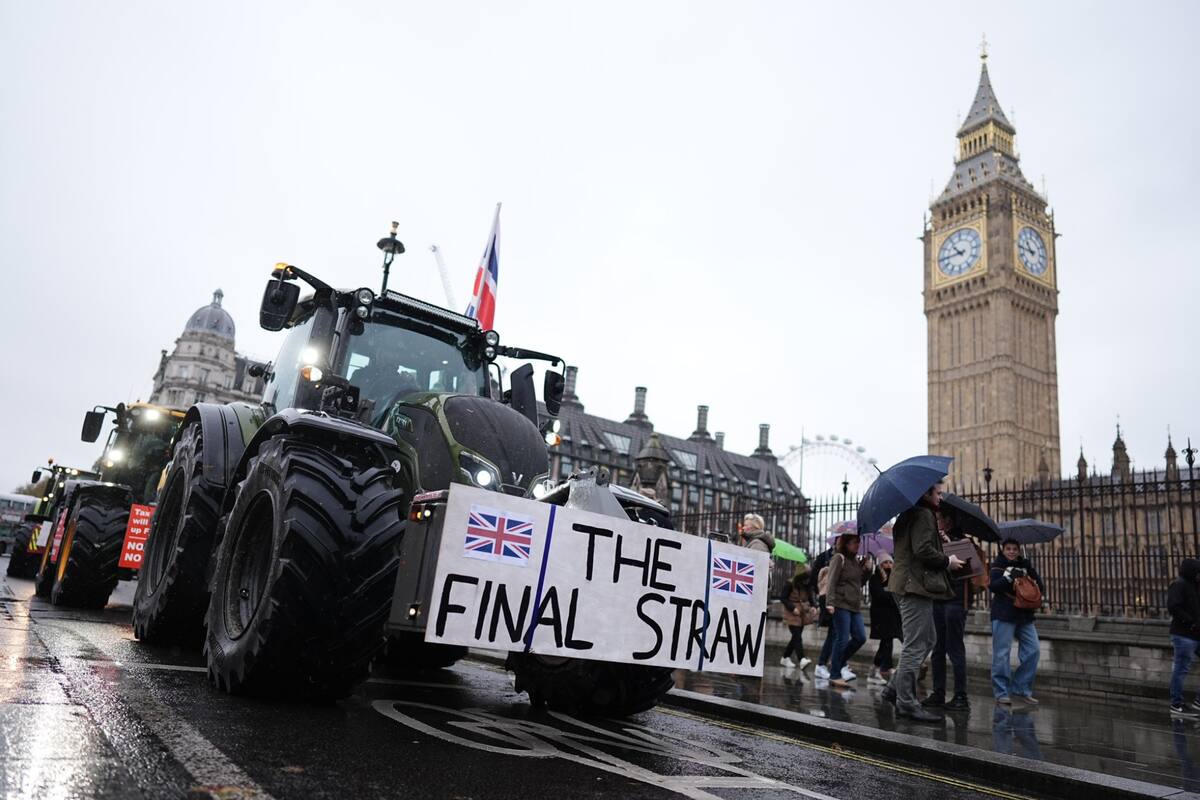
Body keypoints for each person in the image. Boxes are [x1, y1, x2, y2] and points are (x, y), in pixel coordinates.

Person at [886, 480, 964, 723]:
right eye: (938, 493)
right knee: (916, 644)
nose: (941, 498)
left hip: (907, 584)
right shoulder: (923, 515)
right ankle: (906, 704)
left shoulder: (908, 515)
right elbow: (922, 551)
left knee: (928, 638)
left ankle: (892, 689)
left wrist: (936, 539)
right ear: (925, 492)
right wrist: (947, 560)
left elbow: (915, 546)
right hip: (914, 586)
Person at [989, 538, 1044, 706]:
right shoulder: (997, 566)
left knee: (1033, 650)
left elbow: (1039, 587)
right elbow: (993, 586)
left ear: (1019, 551)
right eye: (1008, 549)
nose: (1012, 551)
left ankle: (1021, 688)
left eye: (1015, 549)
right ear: (1003, 550)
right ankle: (1001, 692)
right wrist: (1009, 577)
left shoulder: (1025, 566)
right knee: (1002, 654)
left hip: (1024, 614)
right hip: (1004, 613)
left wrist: (1031, 571)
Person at [927, 508, 972, 711]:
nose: (937, 522)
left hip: (955, 600)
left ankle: (961, 696)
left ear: (949, 521)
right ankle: (938, 693)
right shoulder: (933, 541)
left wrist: (948, 545)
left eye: (940, 518)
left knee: (955, 648)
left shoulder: (962, 541)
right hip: (938, 597)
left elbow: (966, 570)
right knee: (938, 649)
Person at [826, 533, 870, 688]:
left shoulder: (856, 562)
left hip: (854, 605)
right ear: (845, 544)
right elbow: (831, 581)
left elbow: (859, 583)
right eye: (853, 543)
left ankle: (837, 661)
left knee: (860, 637)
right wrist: (830, 602)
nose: (857, 545)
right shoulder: (839, 558)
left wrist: (867, 570)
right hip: (840, 604)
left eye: (858, 543)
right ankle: (835, 674)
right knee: (842, 639)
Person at [1167, 559, 1200, 718]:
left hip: (1196, 634)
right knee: (1181, 669)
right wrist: (1191, 622)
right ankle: (1176, 705)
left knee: (1181, 668)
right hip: (1183, 634)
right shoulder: (1178, 585)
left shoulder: (1194, 586)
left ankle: (1198, 703)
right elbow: (1173, 607)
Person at [868, 552, 902, 684]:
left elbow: (898, 594)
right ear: (881, 564)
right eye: (885, 563)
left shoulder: (894, 577)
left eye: (890, 562)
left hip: (893, 615)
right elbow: (879, 595)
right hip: (880, 616)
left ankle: (882, 668)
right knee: (886, 642)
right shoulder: (875, 578)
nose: (888, 565)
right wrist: (891, 595)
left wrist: (891, 594)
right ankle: (877, 669)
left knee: (888, 642)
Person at [809, 543, 839, 679]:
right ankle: (824, 664)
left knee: (839, 633)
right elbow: (813, 579)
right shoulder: (825, 557)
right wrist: (821, 593)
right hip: (828, 598)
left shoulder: (848, 558)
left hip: (842, 599)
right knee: (834, 633)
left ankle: (832, 663)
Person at [779, 571, 816, 670]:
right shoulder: (790, 583)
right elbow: (783, 598)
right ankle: (802, 659)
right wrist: (792, 608)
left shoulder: (807, 585)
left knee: (796, 637)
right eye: (805, 579)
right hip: (791, 612)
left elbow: (810, 597)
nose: (807, 581)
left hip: (801, 612)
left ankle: (785, 657)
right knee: (797, 636)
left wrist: (813, 606)